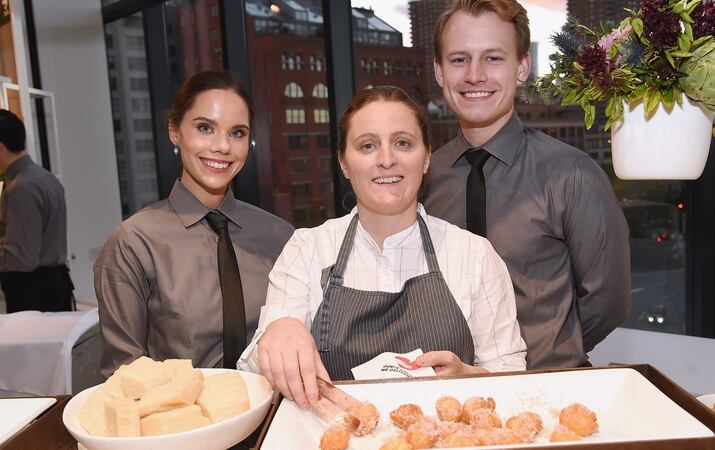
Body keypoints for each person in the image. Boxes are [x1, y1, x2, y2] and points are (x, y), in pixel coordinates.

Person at [238, 86, 526, 406]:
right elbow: (256, 375)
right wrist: (278, 331)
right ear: (344, 164)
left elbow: (511, 378)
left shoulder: (475, 255)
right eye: (368, 145)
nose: (386, 159)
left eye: (402, 143)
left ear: (427, 157)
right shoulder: (306, 250)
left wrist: (466, 377)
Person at [423, 0, 631, 369]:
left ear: (522, 67)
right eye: (459, 60)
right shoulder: (423, 177)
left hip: (550, 393)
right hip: (452, 399)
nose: (474, 75)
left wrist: (552, 352)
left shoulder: (572, 175)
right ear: (439, 72)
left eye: (493, 58)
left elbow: (608, 302)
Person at [94, 71, 293, 377]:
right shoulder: (133, 242)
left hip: (275, 414)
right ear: (174, 131)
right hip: (183, 419)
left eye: (237, 133)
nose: (222, 146)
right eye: (205, 128)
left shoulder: (279, 236)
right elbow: (125, 372)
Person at [0, 109, 74, 313]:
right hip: (53, 286)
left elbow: (22, 258)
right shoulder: (45, 178)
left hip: (33, 294)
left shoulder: (21, 187)